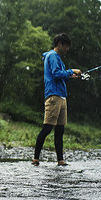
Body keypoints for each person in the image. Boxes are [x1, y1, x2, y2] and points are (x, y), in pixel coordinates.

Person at [32, 33, 81, 166]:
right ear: (59, 44)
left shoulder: (57, 58)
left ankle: (60, 160)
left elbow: (61, 76)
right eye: (66, 46)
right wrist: (71, 71)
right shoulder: (52, 56)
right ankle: (36, 158)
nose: (67, 49)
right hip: (54, 96)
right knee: (47, 128)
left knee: (60, 130)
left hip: (61, 96)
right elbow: (56, 73)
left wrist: (71, 76)